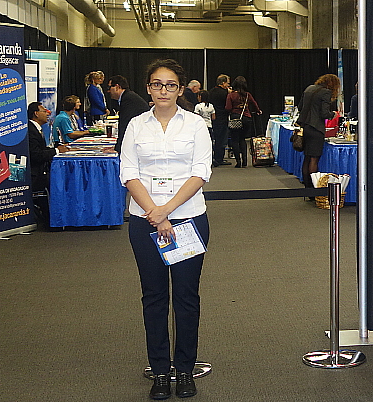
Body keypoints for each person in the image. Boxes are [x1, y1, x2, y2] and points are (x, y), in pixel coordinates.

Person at [119, 59, 212, 400]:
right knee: (154, 297)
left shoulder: (195, 125)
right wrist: (154, 213)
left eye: (170, 85)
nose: (163, 91)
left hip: (187, 219)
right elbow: (128, 171)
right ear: (148, 88)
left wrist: (165, 211)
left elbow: (201, 171)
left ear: (180, 89)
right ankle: (160, 371)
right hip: (144, 222)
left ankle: (185, 369)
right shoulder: (135, 125)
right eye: (157, 84)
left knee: (186, 298)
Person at [296, 73, 340, 189]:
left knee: (307, 158)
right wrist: (333, 114)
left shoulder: (309, 88)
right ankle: (314, 190)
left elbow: (300, 107)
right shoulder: (326, 92)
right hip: (316, 130)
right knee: (314, 160)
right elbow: (324, 113)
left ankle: (307, 188)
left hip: (305, 127)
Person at [28, 102, 69, 191]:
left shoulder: (35, 128)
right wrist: (56, 151)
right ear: (36, 113)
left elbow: (40, 149)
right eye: (44, 111)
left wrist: (57, 149)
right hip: (36, 176)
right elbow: (36, 154)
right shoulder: (31, 130)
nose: (48, 113)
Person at [106, 74, 151, 153]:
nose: (108, 91)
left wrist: (118, 148)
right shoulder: (128, 96)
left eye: (109, 87)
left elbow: (124, 125)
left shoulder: (128, 99)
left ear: (117, 87)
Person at [225, 76, 261, 168]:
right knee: (242, 139)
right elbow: (255, 104)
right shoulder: (248, 95)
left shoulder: (231, 95)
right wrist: (258, 111)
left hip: (235, 118)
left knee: (235, 140)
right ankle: (245, 161)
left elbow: (228, 108)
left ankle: (238, 162)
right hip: (247, 118)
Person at [209, 74, 232, 166]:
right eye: (227, 83)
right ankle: (219, 158)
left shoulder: (211, 91)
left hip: (213, 118)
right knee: (221, 139)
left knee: (214, 138)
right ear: (223, 83)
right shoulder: (225, 93)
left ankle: (213, 158)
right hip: (222, 118)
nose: (228, 85)